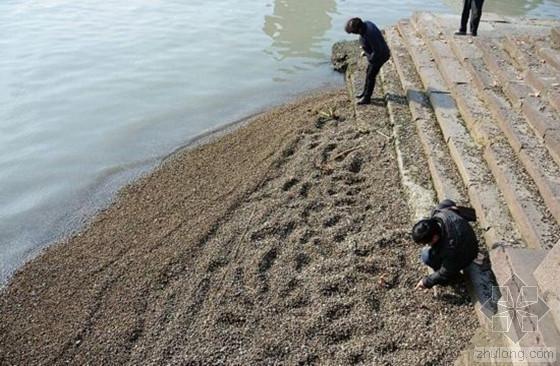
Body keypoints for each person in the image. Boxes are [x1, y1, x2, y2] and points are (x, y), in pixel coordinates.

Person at [412, 199, 479, 290]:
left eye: (427, 242)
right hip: (465, 237)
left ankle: (454, 279)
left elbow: (445, 271)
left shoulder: (449, 248)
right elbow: (448, 202)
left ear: (435, 237)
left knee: (426, 255)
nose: (426, 245)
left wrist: (426, 281)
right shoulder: (440, 213)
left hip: (468, 254)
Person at [345, 17, 391, 105]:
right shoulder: (366, 24)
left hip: (380, 56)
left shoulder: (370, 34)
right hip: (376, 53)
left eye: (353, 32)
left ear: (358, 29)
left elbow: (378, 50)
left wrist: (371, 60)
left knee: (370, 76)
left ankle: (367, 98)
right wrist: (366, 51)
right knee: (368, 73)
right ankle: (364, 93)